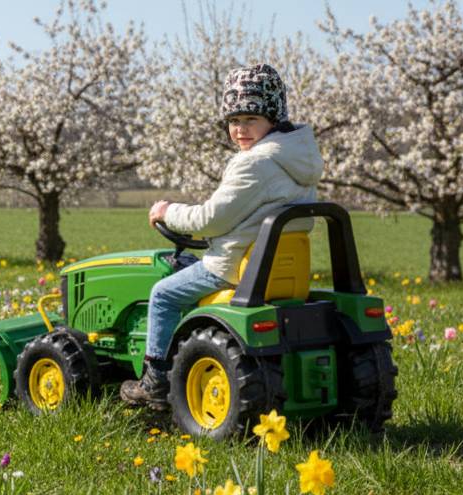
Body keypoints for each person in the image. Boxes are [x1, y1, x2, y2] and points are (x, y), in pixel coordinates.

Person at [120, 63, 326, 410]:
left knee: (163, 294)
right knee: (183, 265)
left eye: (251, 119)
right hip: (274, 269)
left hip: (231, 266)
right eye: (234, 121)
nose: (240, 130)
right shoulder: (299, 157)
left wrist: (167, 211)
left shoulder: (255, 163)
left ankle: (155, 379)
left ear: (272, 119)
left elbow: (210, 220)